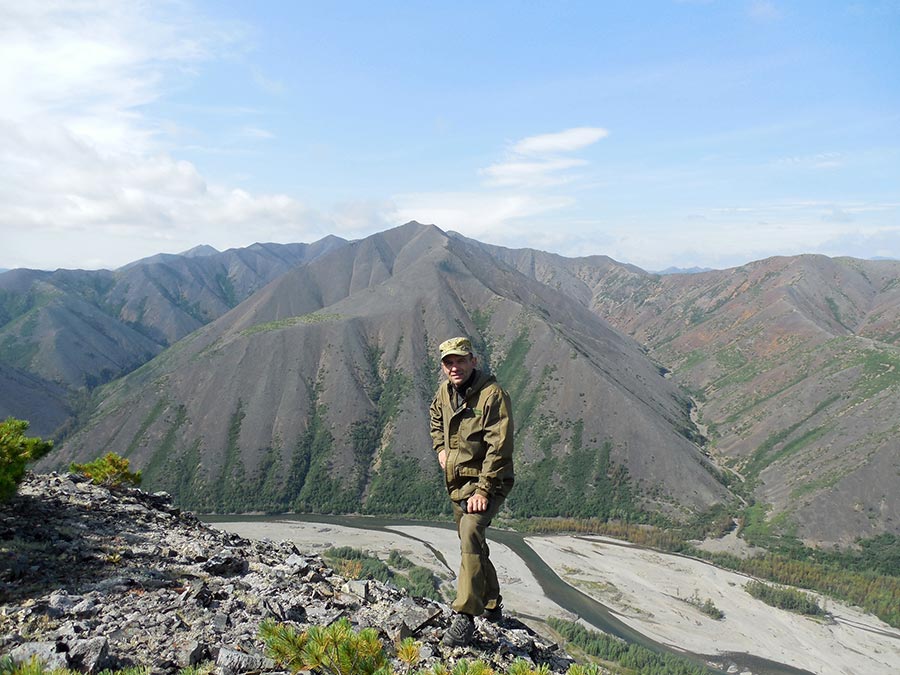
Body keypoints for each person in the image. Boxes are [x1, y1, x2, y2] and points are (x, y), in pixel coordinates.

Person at [430, 336, 514, 647]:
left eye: (460, 361)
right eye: (449, 362)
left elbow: (499, 449)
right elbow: (435, 418)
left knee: (470, 534)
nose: (455, 367)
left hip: (489, 482)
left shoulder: (492, 396)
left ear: (473, 361)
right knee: (472, 543)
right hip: (458, 483)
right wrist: (440, 448)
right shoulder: (445, 393)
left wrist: (483, 490)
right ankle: (492, 605)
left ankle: (465, 617)